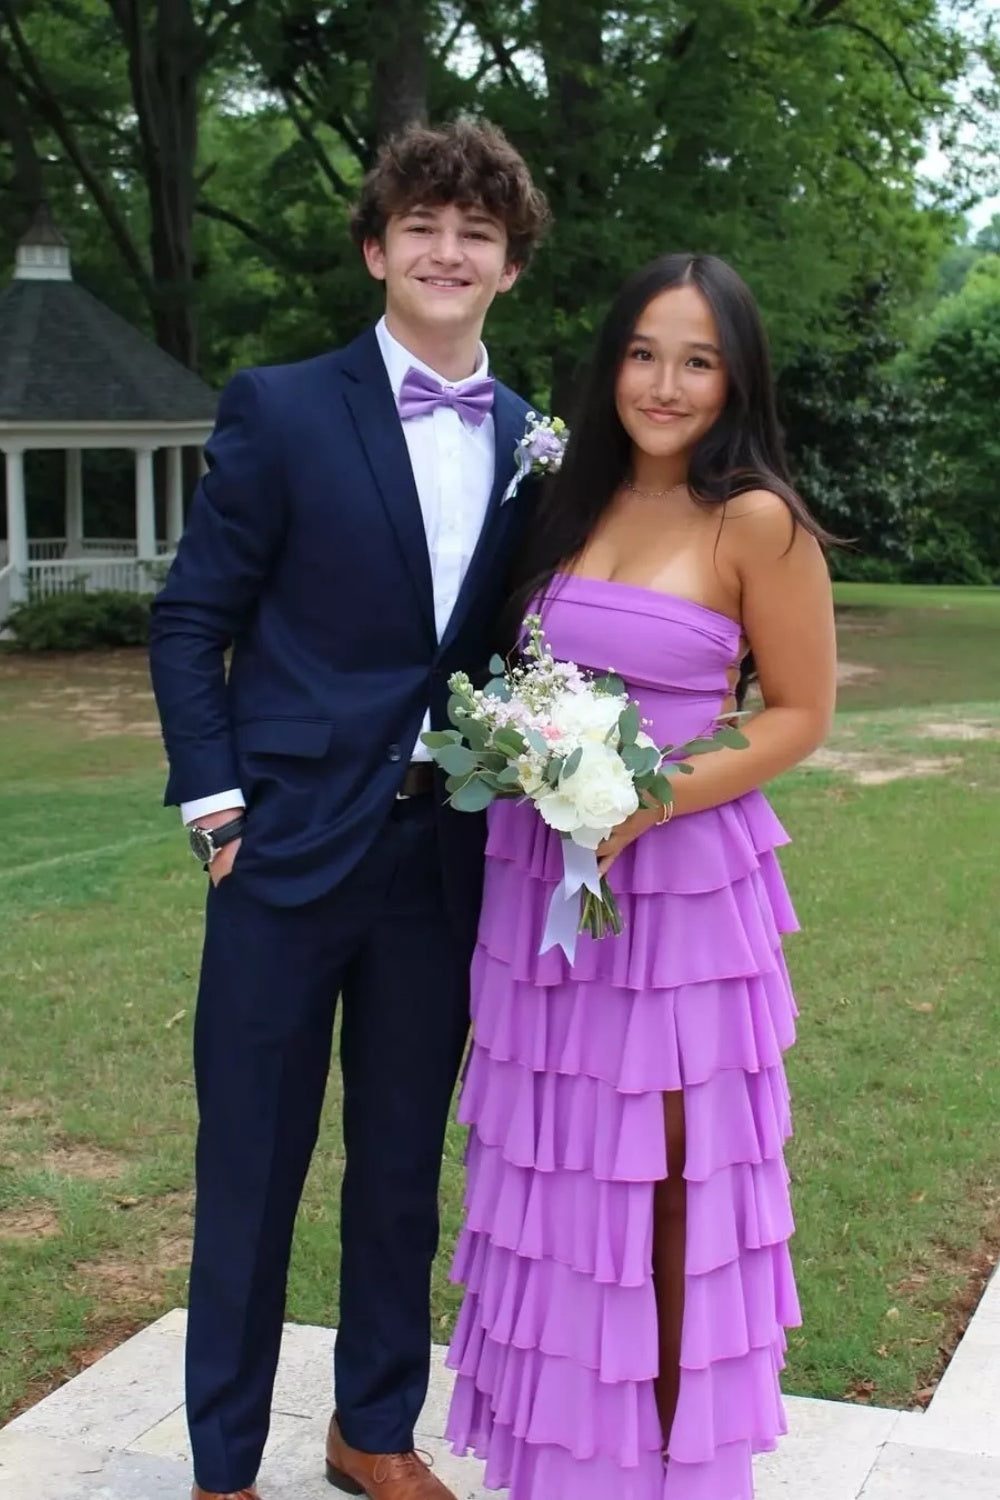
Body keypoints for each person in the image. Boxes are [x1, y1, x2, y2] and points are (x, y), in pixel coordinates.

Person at [147, 119, 550, 1500]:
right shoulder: (282, 404)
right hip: (276, 852)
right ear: (380, 249)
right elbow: (193, 616)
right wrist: (214, 808)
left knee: (398, 1171)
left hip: (443, 861)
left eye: (478, 235)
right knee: (251, 1175)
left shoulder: (529, 441)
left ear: (507, 269)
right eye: (425, 227)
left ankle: (373, 1430)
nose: (449, 251)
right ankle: (221, 1466)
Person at [444, 253, 837, 1500]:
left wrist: (647, 792)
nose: (664, 385)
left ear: (736, 378)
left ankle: (668, 1473)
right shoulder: (565, 498)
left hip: (677, 903)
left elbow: (797, 715)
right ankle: (573, 1463)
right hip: (539, 886)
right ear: (611, 360)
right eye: (643, 353)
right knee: (557, 1180)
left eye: (698, 359)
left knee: (666, 1187)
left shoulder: (756, 520)